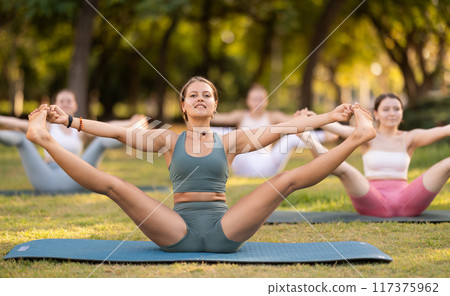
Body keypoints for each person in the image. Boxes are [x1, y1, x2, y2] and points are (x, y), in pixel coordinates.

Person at [26, 76, 375, 252]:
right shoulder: (167, 140)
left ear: (215, 105)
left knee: (284, 182)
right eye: (192, 94)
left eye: (207, 94)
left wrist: (329, 116)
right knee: (116, 186)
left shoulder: (231, 141)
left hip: (225, 228)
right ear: (183, 106)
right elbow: (117, 133)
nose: (200, 98)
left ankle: (358, 138)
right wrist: (68, 121)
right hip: (175, 228)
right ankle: (43, 140)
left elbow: (285, 128)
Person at [306, 93, 449, 217]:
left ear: (402, 113)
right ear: (376, 114)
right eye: (386, 109)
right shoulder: (367, 135)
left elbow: (444, 130)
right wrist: (311, 118)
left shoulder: (410, 137)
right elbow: (336, 127)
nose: (392, 113)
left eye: (396, 109)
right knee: (344, 168)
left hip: (407, 201)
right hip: (371, 199)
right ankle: (304, 136)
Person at [0, 89, 140, 192]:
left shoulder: (80, 130)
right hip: (47, 178)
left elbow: (108, 127)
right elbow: (16, 123)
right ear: (55, 105)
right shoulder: (46, 127)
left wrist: (130, 122)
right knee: (21, 139)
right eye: (62, 101)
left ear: (75, 106)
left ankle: (139, 139)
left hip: (77, 179)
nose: (65, 104)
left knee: (100, 141)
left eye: (69, 101)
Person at [210, 83, 338, 177]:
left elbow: (299, 123)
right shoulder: (240, 116)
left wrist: (324, 121)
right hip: (243, 165)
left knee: (291, 137)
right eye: (254, 99)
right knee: (225, 133)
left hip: (267, 165)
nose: (257, 103)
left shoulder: (273, 116)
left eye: (260, 99)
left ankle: (325, 136)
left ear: (266, 101)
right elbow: (217, 118)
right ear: (248, 101)